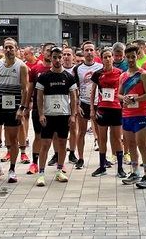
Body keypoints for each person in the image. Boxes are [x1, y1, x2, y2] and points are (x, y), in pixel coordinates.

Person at [0, 38, 27, 183]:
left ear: (16, 49)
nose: (8, 50)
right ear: (3, 49)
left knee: (13, 139)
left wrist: (22, 108)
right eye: (6, 47)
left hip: (13, 106)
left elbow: (25, 89)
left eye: (11, 47)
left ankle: (12, 169)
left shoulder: (21, 66)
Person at [35, 47, 78, 186]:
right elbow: (39, 97)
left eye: (60, 57)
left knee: (62, 143)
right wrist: (41, 114)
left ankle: (59, 171)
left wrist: (73, 115)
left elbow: (73, 97)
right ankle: (41, 174)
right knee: (45, 144)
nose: (58, 60)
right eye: (55, 57)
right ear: (50, 58)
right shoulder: (44, 76)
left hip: (63, 116)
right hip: (48, 116)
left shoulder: (69, 77)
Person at [119, 45, 146, 189]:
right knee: (131, 144)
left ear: (137, 56)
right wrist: (124, 98)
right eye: (128, 57)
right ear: (125, 58)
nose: (131, 60)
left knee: (141, 145)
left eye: (133, 56)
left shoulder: (143, 74)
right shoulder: (123, 76)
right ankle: (135, 172)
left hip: (140, 114)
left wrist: (136, 99)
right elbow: (119, 94)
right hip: (126, 115)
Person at [89, 48, 126, 178]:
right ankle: (102, 166)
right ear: (102, 59)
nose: (108, 59)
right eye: (105, 57)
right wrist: (92, 109)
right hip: (102, 109)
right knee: (102, 139)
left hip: (116, 109)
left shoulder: (120, 73)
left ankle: (120, 168)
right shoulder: (97, 74)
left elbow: (124, 91)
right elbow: (93, 91)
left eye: (110, 56)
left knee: (117, 139)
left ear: (113, 58)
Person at [26, 42, 54, 173]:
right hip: (38, 108)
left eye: (52, 50)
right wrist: (26, 105)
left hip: (54, 109)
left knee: (56, 136)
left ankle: (59, 162)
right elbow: (30, 89)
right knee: (38, 136)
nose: (50, 53)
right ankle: (34, 163)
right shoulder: (36, 69)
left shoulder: (58, 69)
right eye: (48, 50)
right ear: (43, 52)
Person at [74, 41, 103, 169]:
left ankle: (103, 159)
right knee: (81, 131)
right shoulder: (78, 69)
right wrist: (76, 104)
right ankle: (80, 158)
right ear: (83, 52)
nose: (89, 52)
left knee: (101, 132)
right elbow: (74, 89)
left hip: (99, 103)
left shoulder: (100, 67)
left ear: (95, 51)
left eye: (91, 50)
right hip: (84, 103)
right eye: (87, 50)